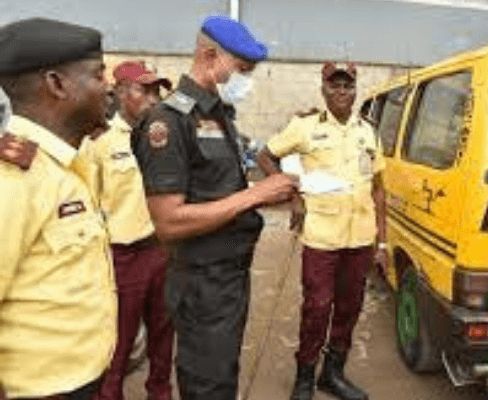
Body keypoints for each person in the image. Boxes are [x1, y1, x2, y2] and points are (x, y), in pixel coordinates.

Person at [132, 16, 298, 400]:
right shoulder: (168, 122)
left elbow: (218, 187)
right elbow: (168, 222)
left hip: (228, 277)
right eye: (242, 70)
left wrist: (269, 189)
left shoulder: (219, 115)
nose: (247, 81)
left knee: (222, 374)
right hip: (201, 280)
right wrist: (257, 195)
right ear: (209, 56)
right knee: (207, 383)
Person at [0, 18, 117, 400]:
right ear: (57, 84)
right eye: (99, 75)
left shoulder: (65, 164)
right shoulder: (14, 177)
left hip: (81, 382)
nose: (109, 86)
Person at [257, 62, 388, 400]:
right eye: (335, 85)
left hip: (359, 237)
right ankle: (304, 377)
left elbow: (378, 188)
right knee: (317, 308)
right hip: (321, 238)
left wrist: (383, 241)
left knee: (350, 307)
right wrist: (294, 195)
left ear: (355, 90)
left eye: (347, 86)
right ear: (323, 89)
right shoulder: (305, 126)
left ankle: (332, 374)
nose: (341, 92)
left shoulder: (367, 131)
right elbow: (265, 156)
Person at [88, 61, 175, 400]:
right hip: (124, 256)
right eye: (144, 90)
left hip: (163, 249)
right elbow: (90, 203)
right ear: (121, 93)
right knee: (119, 343)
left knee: (164, 336)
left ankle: (160, 393)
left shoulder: (164, 138)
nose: (153, 99)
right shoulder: (100, 143)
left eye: (157, 91)